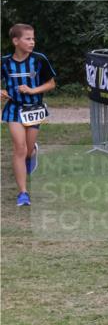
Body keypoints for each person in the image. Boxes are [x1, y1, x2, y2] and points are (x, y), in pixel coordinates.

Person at [1, 23, 56, 207]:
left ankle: (32, 153)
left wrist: (33, 90)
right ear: (16, 41)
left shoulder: (40, 59)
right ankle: (23, 193)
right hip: (13, 109)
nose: (32, 42)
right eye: (28, 38)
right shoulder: (5, 62)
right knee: (19, 148)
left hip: (34, 109)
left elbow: (51, 84)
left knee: (28, 149)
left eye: (33, 38)